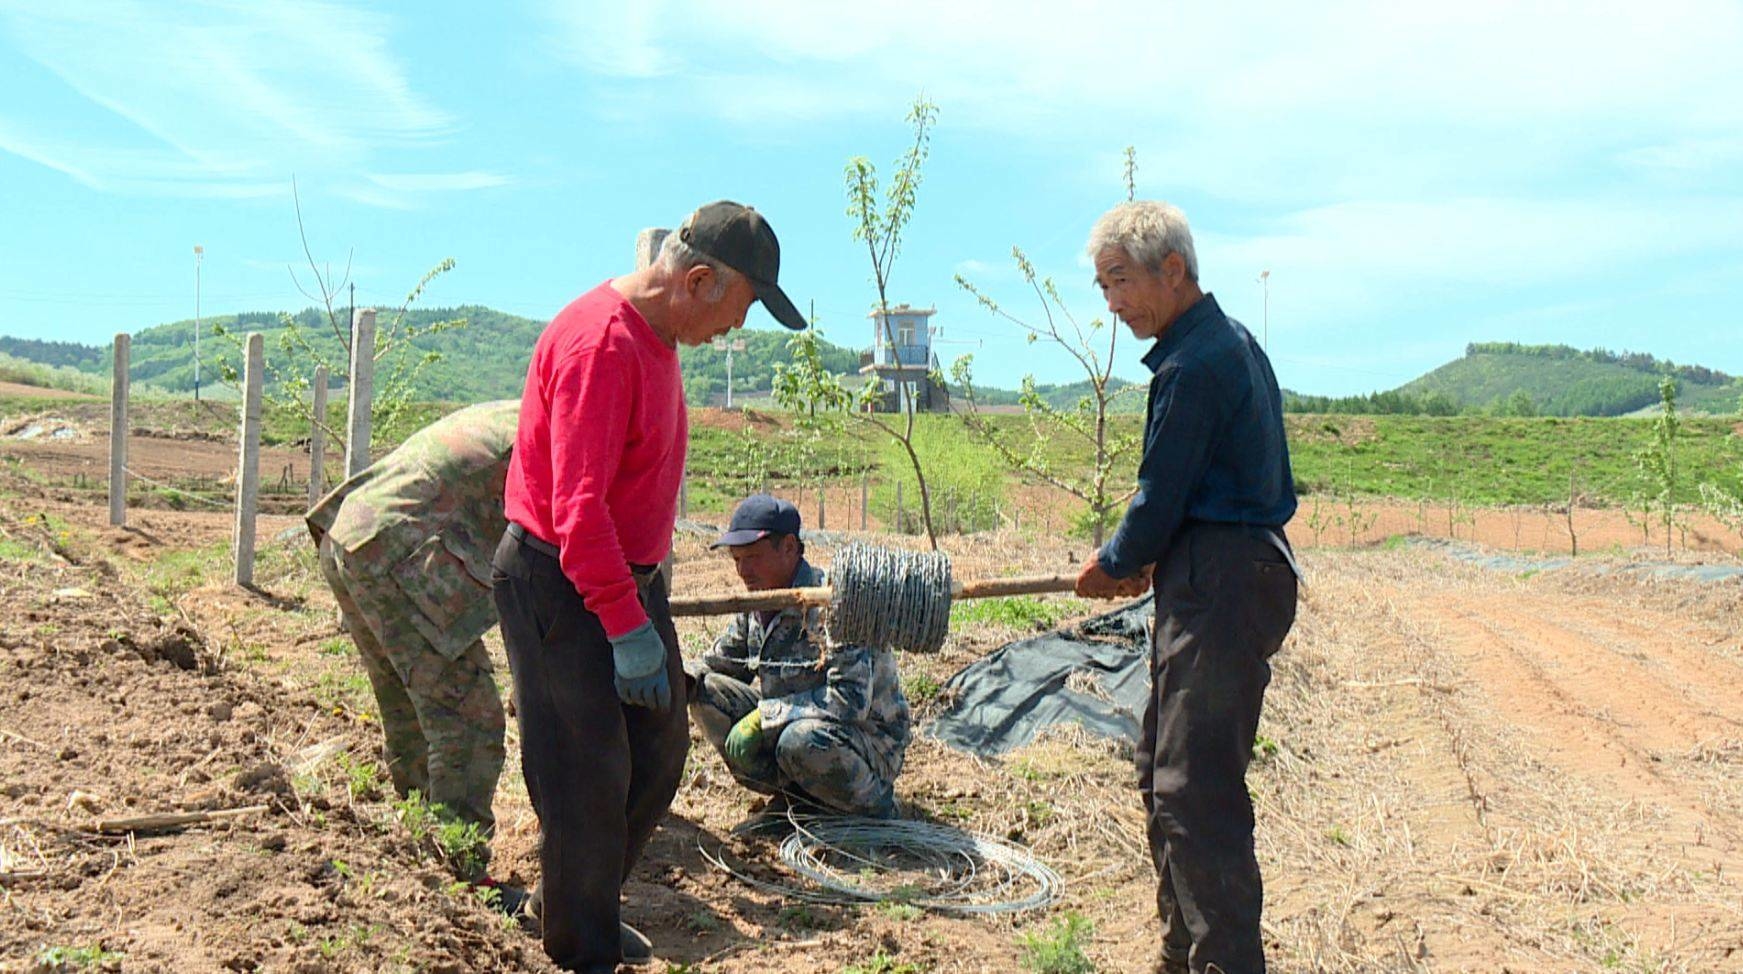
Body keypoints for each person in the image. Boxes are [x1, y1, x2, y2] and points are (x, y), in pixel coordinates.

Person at [491, 201, 807, 973]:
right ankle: (580, 948)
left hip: (621, 580)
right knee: (585, 773)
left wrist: (638, 609)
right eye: (737, 312)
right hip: (561, 579)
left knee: (658, 749)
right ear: (697, 280)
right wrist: (623, 626)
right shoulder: (602, 343)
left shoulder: (657, 338)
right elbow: (577, 511)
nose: (734, 332)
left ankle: (578, 903)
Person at [1073, 201, 1300, 974]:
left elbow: (1159, 492)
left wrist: (1115, 561)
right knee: (1161, 774)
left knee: (1193, 789)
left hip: (1222, 582)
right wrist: (1148, 555)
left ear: (1172, 271)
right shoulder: (1223, 346)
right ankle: (1182, 954)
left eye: (1119, 281)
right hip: (1218, 574)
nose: (1110, 303)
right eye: (1102, 286)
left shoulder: (1193, 364)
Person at [305, 400, 519, 875]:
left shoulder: (518, 411)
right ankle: (459, 872)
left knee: (410, 713)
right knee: (469, 720)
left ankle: (419, 858)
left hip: (350, 532)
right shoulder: (559, 435)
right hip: (397, 548)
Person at [687, 494, 910, 822]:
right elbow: (720, 665)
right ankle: (798, 801)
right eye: (736, 559)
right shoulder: (757, 605)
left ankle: (871, 807)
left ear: (789, 547)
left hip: (867, 746)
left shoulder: (836, 605)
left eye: (753, 557)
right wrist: (677, 677)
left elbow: (849, 701)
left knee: (798, 740)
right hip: (797, 734)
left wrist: (766, 715)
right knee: (706, 691)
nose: (743, 571)